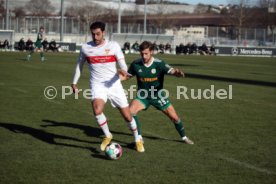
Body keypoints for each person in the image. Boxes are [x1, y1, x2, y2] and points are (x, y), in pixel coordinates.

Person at [71, 21, 144, 152]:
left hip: (114, 84)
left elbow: (123, 65)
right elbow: (79, 66)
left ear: (104, 33)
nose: (95, 37)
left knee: (127, 116)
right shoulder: (86, 48)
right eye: (93, 34)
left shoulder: (113, 46)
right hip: (97, 84)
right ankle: (107, 135)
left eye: (98, 34)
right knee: (97, 109)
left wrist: (123, 71)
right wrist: (74, 82)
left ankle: (137, 139)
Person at [120, 41, 194, 152]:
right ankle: (139, 138)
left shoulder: (159, 64)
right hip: (143, 96)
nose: (144, 56)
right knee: (130, 111)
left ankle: (184, 137)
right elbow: (127, 77)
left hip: (158, 95)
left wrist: (177, 73)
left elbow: (172, 70)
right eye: (142, 54)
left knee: (175, 118)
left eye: (146, 54)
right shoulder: (136, 64)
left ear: (152, 52)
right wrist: (117, 78)